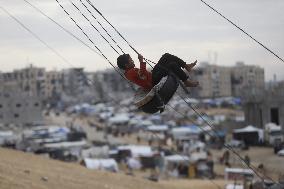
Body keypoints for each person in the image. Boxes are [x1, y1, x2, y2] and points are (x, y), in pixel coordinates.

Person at [117, 53, 199, 92]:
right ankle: (186, 82)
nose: (132, 61)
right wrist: (141, 61)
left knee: (166, 56)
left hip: (153, 76)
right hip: (153, 81)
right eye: (130, 60)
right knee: (172, 65)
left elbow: (143, 74)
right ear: (126, 65)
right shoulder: (130, 73)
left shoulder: (130, 70)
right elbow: (142, 74)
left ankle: (186, 66)